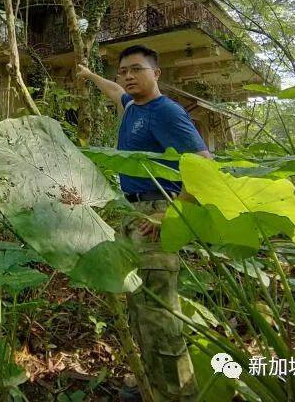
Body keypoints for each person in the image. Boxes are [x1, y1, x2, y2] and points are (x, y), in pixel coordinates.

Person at [77, 44, 210, 402]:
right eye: (124, 71)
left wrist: (172, 212)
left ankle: (178, 395)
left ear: (156, 74)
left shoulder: (167, 112)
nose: (129, 77)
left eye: (137, 69)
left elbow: (204, 163)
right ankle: (151, 384)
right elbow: (115, 92)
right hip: (134, 215)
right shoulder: (133, 107)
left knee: (160, 316)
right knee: (139, 308)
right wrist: (90, 77)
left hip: (157, 216)